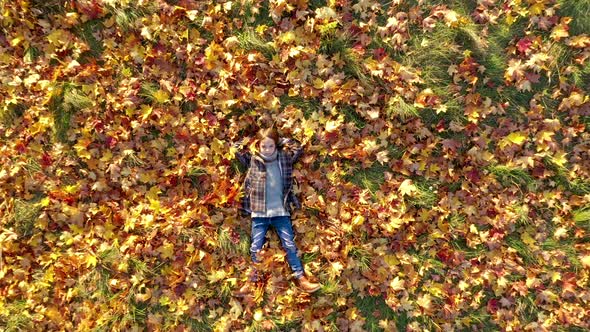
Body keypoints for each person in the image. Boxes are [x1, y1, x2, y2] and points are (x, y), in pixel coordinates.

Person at [233, 127, 320, 293]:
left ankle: (300, 277)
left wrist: (279, 140)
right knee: (255, 247)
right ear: (258, 146)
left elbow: (298, 147)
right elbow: (235, 148)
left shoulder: (284, 159)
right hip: (259, 213)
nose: (267, 150)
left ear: (276, 146)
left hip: (280, 212)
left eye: (270, 146)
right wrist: (254, 141)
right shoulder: (253, 159)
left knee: (289, 245)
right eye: (263, 146)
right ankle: (252, 281)